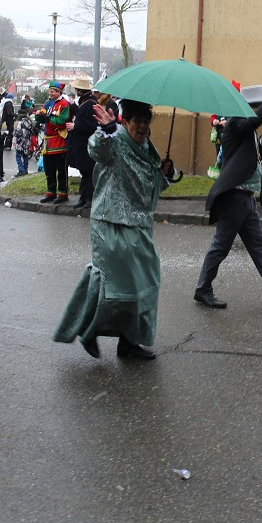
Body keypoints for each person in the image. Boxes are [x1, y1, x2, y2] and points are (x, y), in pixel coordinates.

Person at [54, 99, 177, 360]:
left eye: (146, 122)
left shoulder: (147, 147)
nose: (142, 127)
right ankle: (89, 330)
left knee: (144, 286)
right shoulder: (115, 139)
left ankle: (129, 343)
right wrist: (106, 132)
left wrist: (163, 174)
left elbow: (146, 187)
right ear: (126, 122)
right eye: (137, 122)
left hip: (139, 224)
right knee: (114, 288)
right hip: (110, 222)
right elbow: (97, 152)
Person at [194, 76, 262, 309]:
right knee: (220, 247)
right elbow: (255, 120)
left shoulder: (244, 127)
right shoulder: (237, 123)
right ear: (247, 107)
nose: (258, 112)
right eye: (256, 107)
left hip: (245, 197)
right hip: (233, 196)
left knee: (258, 246)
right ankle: (203, 289)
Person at [35, 81, 71, 204]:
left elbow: (62, 120)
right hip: (48, 141)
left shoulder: (65, 104)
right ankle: (51, 192)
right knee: (49, 169)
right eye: (49, 91)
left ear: (58, 92)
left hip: (59, 140)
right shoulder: (48, 103)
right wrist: (38, 117)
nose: (50, 93)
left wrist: (49, 119)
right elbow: (43, 115)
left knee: (61, 169)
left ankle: (63, 193)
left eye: (52, 91)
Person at [65, 77, 98, 209]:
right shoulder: (86, 102)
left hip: (86, 144)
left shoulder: (90, 104)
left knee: (88, 172)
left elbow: (91, 125)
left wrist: (75, 126)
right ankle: (83, 197)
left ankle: (89, 198)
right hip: (82, 144)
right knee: (84, 172)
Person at [12, 109, 36, 177]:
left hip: (20, 142)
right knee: (25, 156)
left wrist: (14, 138)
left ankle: (21, 170)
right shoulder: (30, 122)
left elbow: (17, 132)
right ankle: (25, 169)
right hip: (27, 141)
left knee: (18, 156)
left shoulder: (20, 123)